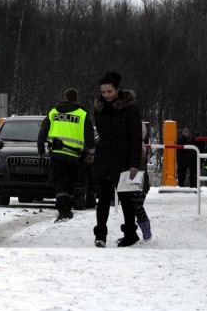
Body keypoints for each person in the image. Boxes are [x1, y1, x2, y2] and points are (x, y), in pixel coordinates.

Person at [91, 72, 144, 247]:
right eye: (103, 92)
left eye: (110, 91)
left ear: (118, 90)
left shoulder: (130, 109)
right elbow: (102, 135)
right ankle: (100, 235)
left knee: (126, 198)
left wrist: (134, 163)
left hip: (124, 159)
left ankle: (130, 233)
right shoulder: (99, 108)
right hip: (105, 158)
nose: (106, 95)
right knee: (103, 199)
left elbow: (136, 137)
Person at [37, 88, 95, 222]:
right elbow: (89, 135)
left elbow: (43, 131)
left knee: (59, 182)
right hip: (74, 155)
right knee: (71, 182)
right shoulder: (82, 114)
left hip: (56, 153)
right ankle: (67, 209)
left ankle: (63, 210)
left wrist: (40, 148)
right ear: (76, 99)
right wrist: (91, 152)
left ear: (65, 97)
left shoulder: (53, 112)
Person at [129, 120, 153, 241]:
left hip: (140, 180)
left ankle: (146, 230)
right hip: (132, 179)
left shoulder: (139, 146)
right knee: (132, 206)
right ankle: (133, 233)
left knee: (137, 206)